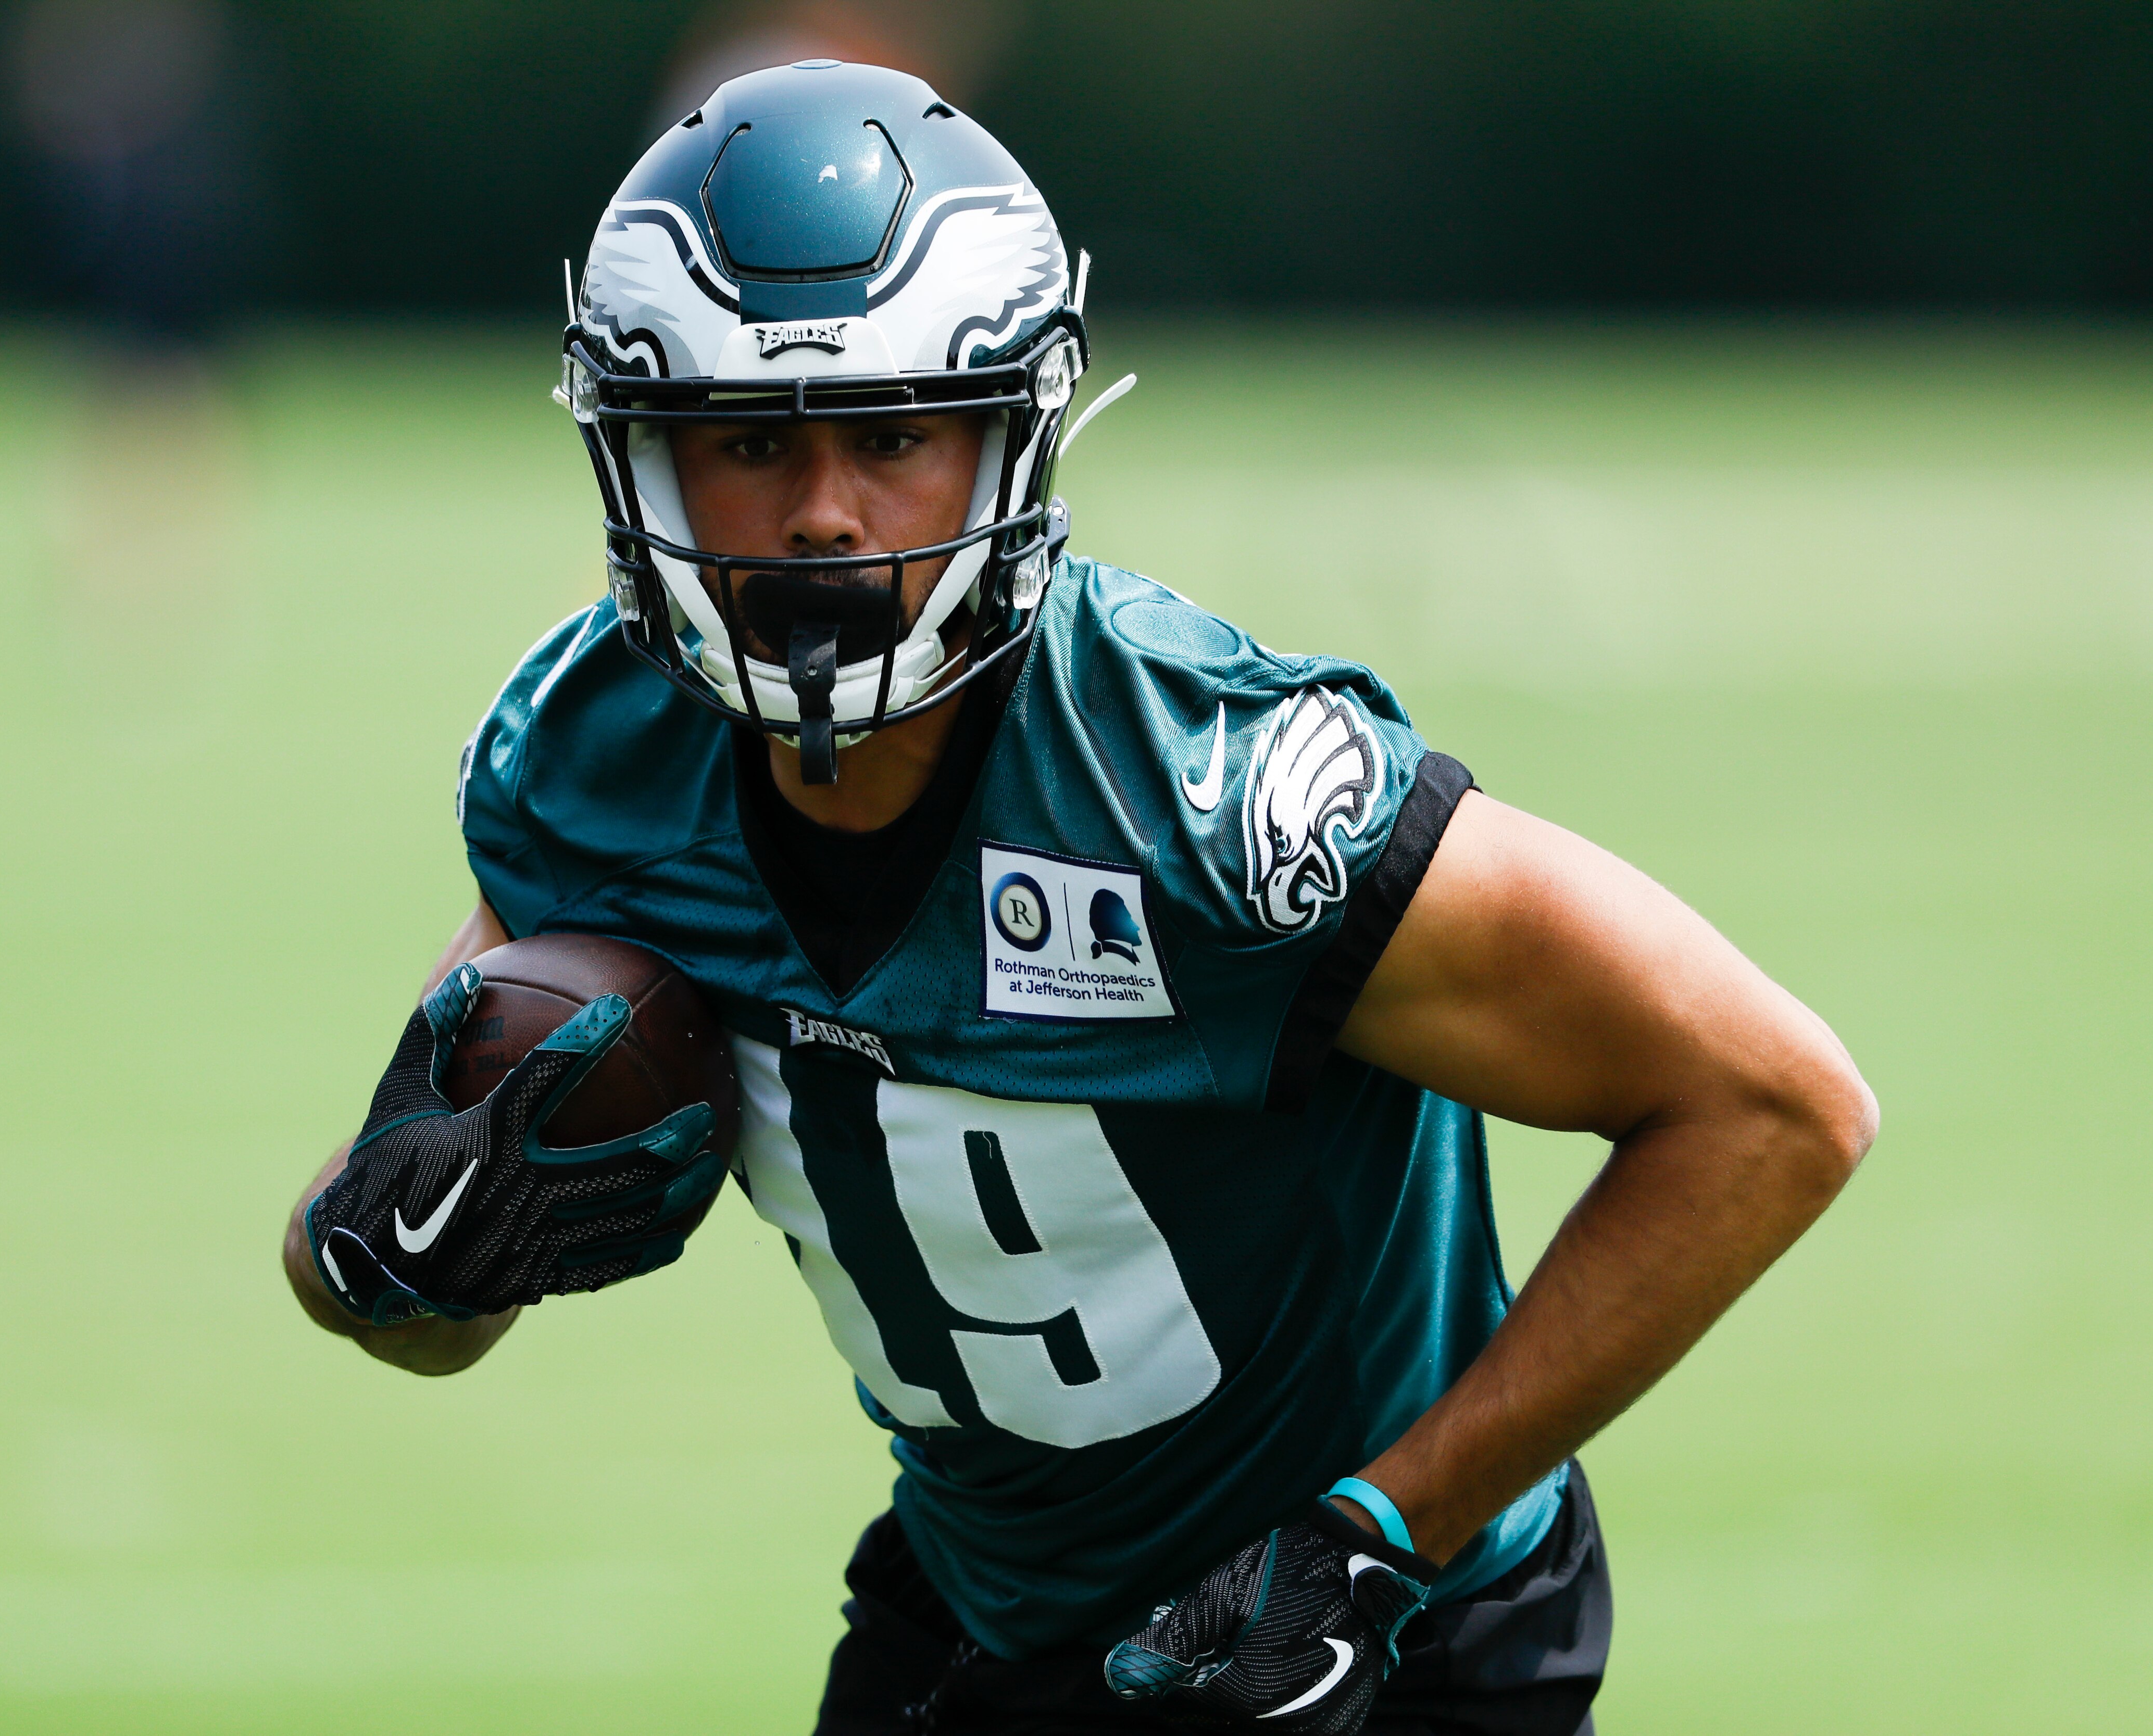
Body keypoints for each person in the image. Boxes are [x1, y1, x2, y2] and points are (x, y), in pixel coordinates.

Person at [281, 60, 1876, 1735]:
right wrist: (396, 1240)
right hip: (986, 1604)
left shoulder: (1204, 791)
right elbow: (400, 1303)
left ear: (1011, 438)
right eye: (749, 442)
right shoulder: (598, 765)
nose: (822, 514)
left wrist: (1378, 1536)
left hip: (1375, 1635)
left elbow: (1772, 1105)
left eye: (894, 435)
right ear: (640, 462)